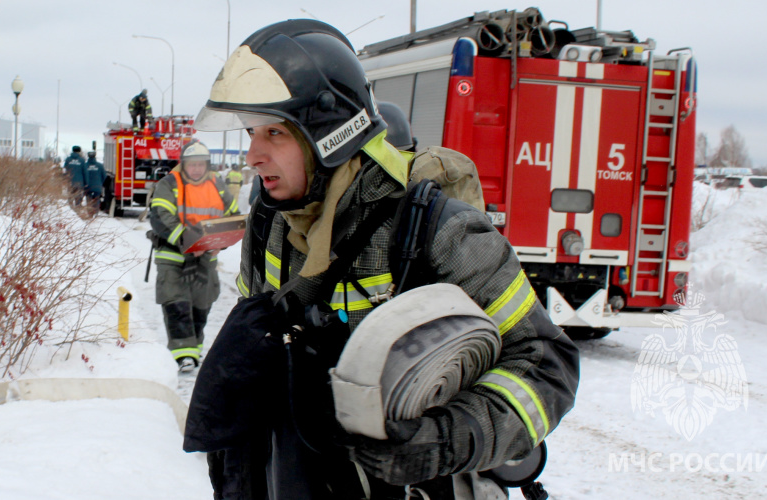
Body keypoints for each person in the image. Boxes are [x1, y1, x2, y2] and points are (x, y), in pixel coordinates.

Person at [188, 19, 579, 499]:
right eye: (252, 132)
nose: (253, 155)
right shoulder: (272, 223)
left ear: (329, 135)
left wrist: (442, 440)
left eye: (275, 133)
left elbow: (546, 364)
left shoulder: (440, 230)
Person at [148, 140, 239, 371]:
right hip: (172, 256)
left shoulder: (217, 185)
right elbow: (161, 219)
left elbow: (233, 218)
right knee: (176, 303)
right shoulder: (169, 184)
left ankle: (193, 350)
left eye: (201, 164)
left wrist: (221, 243)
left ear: (207, 165)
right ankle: (182, 354)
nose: (196, 169)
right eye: (192, 164)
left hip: (205, 258)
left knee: (201, 306)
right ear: (183, 164)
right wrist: (190, 243)